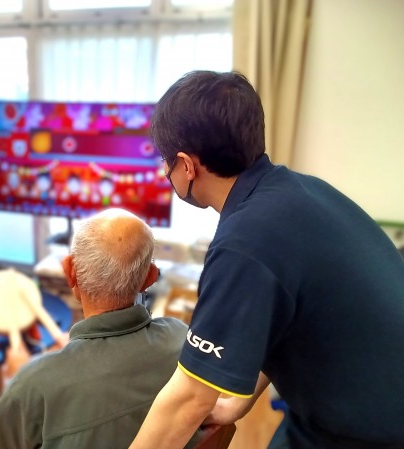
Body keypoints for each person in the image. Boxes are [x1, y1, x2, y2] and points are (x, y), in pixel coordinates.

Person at [129, 71, 404, 449]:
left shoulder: (245, 243)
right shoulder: (302, 191)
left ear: (186, 165)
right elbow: (282, 315)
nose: (165, 171)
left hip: (368, 431)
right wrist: (236, 404)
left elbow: (188, 398)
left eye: (166, 161)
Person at [0, 208, 203, 449]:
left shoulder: (32, 386)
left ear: (70, 271)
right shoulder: (182, 339)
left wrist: (19, 377)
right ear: (150, 278)